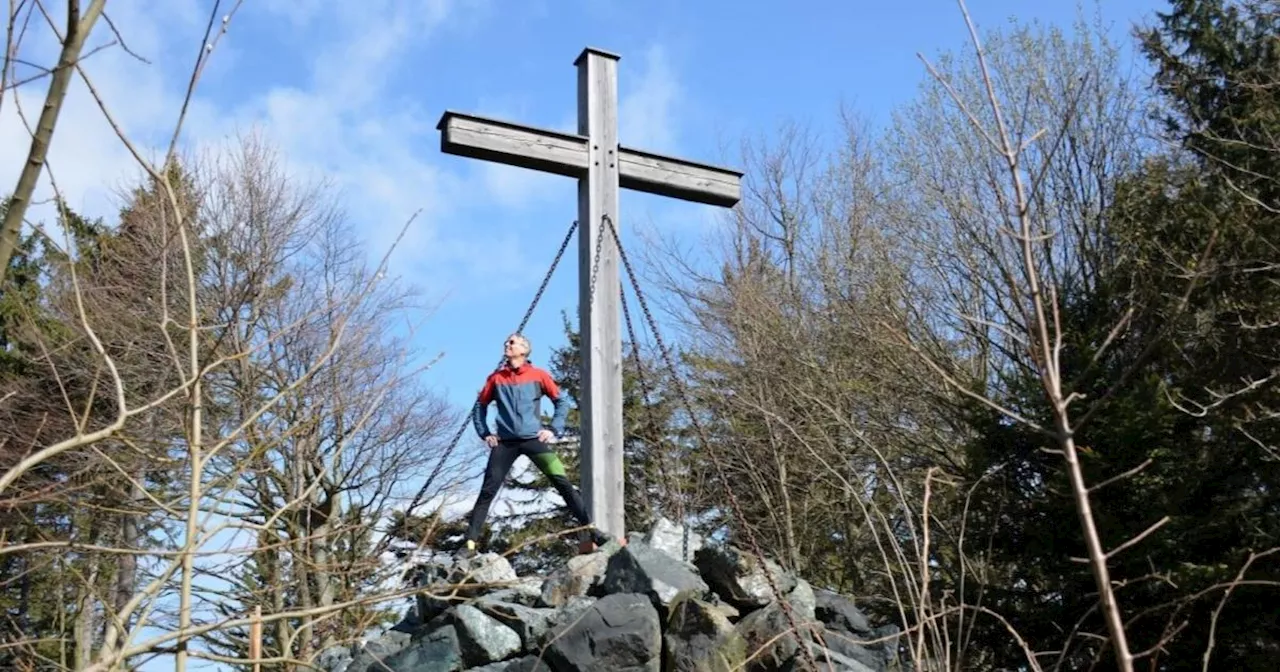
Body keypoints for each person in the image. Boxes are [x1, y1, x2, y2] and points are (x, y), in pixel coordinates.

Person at [461, 332, 612, 556]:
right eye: (506, 342)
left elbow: (561, 401)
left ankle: (592, 531)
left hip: (533, 440)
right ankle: (469, 545)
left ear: (524, 349)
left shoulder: (539, 375)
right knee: (487, 491)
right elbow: (479, 407)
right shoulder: (496, 378)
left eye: (512, 342)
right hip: (505, 444)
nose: (507, 345)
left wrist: (553, 429)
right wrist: (485, 433)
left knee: (563, 483)